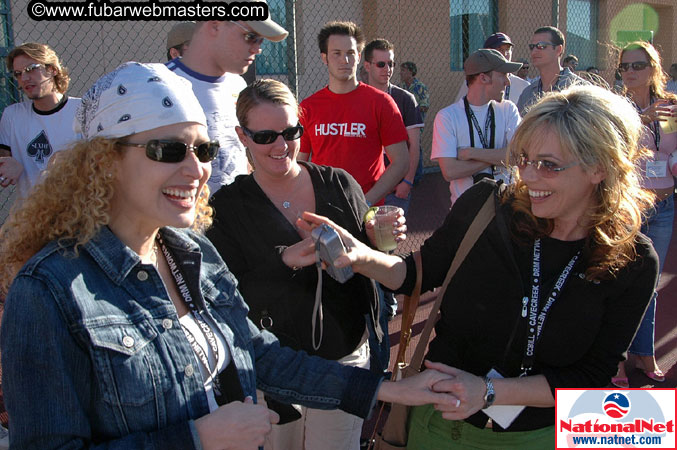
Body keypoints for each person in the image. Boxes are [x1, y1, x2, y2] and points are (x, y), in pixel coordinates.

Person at [0, 62, 455, 450]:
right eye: (169, 150)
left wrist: (388, 390)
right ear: (104, 162)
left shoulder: (189, 252)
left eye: (203, 150)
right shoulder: (50, 291)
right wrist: (196, 438)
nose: (196, 168)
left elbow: (259, 352)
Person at [292, 85, 658, 448]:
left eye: (548, 165)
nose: (528, 177)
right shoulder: (487, 207)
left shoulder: (633, 260)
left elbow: (592, 376)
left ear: (599, 168)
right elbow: (417, 274)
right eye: (524, 159)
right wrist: (360, 256)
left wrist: (488, 391)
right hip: (441, 424)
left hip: (543, 435)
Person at [207, 79, 406, 450]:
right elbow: (224, 297)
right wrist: (284, 260)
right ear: (242, 136)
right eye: (266, 136)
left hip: (343, 357)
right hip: (273, 368)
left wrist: (382, 235)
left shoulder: (340, 184)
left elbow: (375, 260)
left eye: (291, 132)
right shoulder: (228, 207)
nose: (281, 146)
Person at [167, 0, 288, 195]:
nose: (257, 48)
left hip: (235, 214)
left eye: (261, 40)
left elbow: (240, 153)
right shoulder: (161, 84)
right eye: (250, 36)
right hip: (185, 216)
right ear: (215, 23)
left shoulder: (237, 84)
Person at [613, 41, 677, 388]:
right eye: (624, 67)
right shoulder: (617, 107)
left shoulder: (670, 108)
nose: (630, 73)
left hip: (663, 206)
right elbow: (613, 145)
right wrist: (642, 118)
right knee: (621, 282)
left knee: (649, 284)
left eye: (637, 65)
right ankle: (617, 359)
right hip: (627, 209)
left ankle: (644, 353)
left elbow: (670, 147)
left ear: (654, 68)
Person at [298, 21, 409, 208]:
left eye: (350, 53)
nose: (345, 60)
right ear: (324, 58)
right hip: (324, 209)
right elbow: (300, 161)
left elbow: (401, 162)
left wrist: (365, 202)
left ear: (358, 57)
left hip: (368, 212)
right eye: (337, 54)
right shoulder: (308, 107)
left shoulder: (382, 103)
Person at [431, 49, 521, 205]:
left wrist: (471, 153)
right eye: (502, 75)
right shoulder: (447, 117)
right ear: (483, 78)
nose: (508, 82)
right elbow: (450, 171)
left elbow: (517, 156)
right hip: (466, 212)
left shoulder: (508, 109)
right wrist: (497, 158)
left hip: (505, 207)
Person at [0, 43, 81, 198]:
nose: (24, 78)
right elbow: (3, 158)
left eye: (31, 69)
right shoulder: (13, 115)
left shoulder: (82, 110)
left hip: (77, 212)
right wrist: (5, 164)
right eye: (18, 73)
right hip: (31, 216)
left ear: (52, 70)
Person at [364, 38, 423, 215]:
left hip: (396, 187)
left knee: (389, 240)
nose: (387, 69)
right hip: (365, 186)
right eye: (381, 64)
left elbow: (413, 145)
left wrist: (408, 181)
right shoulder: (358, 98)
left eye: (391, 64)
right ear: (368, 66)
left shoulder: (405, 99)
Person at [517, 26, 586, 116]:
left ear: (558, 49)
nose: (534, 51)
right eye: (532, 47)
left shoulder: (579, 88)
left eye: (541, 46)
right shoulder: (527, 94)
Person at [455, 33, 531, 105]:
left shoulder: (524, 86)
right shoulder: (474, 82)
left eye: (508, 50)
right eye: (500, 50)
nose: (504, 54)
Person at [400, 60, 430, 184]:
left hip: (414, 123)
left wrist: (409, 109)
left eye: (404, 70)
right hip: (401, 123)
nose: (401, 73)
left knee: (415, 147)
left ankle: (416, 176)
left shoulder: (420, 87)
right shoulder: (401, 87)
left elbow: (424, 105)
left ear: (411, 72)